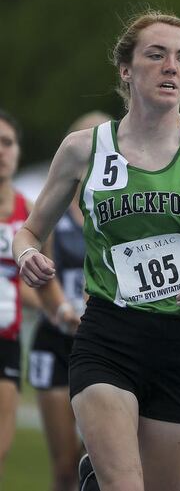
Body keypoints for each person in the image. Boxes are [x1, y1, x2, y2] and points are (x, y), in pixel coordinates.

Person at [14, 10, 180, 491]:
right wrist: (28, 255)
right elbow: (27, 232)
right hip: (109, 333)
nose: (171, 66)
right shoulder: (83, 149)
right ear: (126, 69)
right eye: (157, 55)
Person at [27, 111, 109, 491]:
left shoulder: (116, 207)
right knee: (64, 467)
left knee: (97, 458)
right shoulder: (53, 205)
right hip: (59, 336)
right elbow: (41, 272)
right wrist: (62, 310)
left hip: (103, 339)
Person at [0, 109, 79, 483]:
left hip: (8, 341)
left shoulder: (28, 212)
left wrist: (62, 309)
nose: (1, 151)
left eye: (8, 143)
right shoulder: (39, 211)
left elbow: (42, 278)